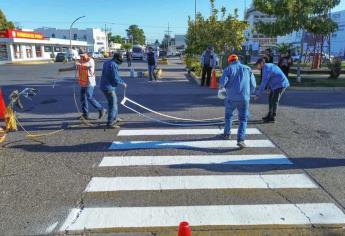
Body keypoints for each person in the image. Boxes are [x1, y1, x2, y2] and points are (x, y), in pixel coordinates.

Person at [219, 54, 256, 149]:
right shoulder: (247, 68)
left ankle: (227, 134)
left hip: (231, 97)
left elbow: (223, 83)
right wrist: (249, 93)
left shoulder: (228, 69)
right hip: (244, 98)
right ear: (237, 60)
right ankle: (241, 140)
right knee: (243, 119)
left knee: (228, 116)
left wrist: (222, 91)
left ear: (229, 61)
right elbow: (253, 85)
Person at [253, 58, 290, 123]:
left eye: (257, 65)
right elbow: (270, 78)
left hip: (281, 84)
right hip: (275, 84)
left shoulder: (266, 68)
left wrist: (258, 95)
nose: (257, 66)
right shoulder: (266, 66)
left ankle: (273, 116)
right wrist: (269, 88)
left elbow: (264, 82)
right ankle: (270, 114)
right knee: (270, 98)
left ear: (261, 63)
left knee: (274, 100)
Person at [75, 49, 105, 120]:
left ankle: (101, 109)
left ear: (86, 54)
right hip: (82, 82)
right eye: (80, 55)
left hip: (89, 82)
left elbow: (87, 65)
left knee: (89, 96)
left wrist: (79, 63)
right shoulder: (80, 61)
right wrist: (63, 69)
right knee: (82, 98)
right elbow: (75, 67)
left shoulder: (90, 60)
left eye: (82, 55)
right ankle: (85, 114)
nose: (81, 56)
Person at [100, 52, 127, 129]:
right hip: (109, 87)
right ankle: (110, 122)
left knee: (112, 103)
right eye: (120, 59)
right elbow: (115, 77)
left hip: (104, 86)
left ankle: (115, 117)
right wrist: (123, 83)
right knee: (113, 105)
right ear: (115, 58)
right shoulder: (114, 65)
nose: (120, 61)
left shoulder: (106, 63)